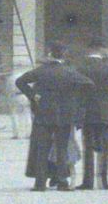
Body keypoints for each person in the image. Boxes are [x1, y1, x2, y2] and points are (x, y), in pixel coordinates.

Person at [15, 44, 90, 192]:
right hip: (64, 115)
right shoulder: (70, 72)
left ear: (50, 54)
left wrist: (32, 95)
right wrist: (74, 99)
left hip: (43, 114)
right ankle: (62, 182)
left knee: (42, 149)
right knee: (62, 150)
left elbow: (20, 81)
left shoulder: (41, 71)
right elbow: (88, 83)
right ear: (63, 55)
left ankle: (40, 183)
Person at [79, 51, 108, 190]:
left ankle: (88, 181)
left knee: (88, 147)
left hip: (88, 113)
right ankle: (102, 181)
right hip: (106, 113)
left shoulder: (82, 70)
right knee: (104, 146)